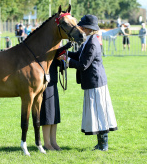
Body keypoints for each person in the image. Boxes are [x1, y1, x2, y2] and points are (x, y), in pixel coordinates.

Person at [66, 15, 118, 151]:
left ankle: (103, 145)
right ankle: (100, 143)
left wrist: (66, 61)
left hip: (96, 82)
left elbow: (83, 65)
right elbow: (78, 55)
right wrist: (64, 53)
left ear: (89, 29)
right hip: (92, 81)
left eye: (83, 26)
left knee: (100, 112)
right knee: (97, 112)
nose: (81, 28)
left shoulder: (93, 43)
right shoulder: (89, 40)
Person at [40, 43, 71, 151]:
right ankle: (47, 143)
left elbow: (63, 65)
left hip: (53, 83)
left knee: (54, 115)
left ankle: (54, 142)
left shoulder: (55, 49)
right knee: (47, 115)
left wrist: (62, 59)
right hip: (46, 83)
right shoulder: (45, 48)